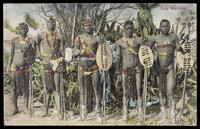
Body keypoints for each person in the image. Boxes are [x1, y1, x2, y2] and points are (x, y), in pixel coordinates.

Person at [148, 19, 188, 124]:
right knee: (161, 91)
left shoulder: (174, 37)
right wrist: (148, 58)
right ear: (160, 27)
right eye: (163, 26)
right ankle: (163, 114)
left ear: (169, 27)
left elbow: (179, 48)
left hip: (170, 68)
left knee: (170, 91)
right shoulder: (155, 38)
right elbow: (146, 49)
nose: (165, 28)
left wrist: (185, 48)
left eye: (167, 26)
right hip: (159, 69)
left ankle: (173, 113)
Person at [72, 19, 104, 121]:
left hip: (94, 67)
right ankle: (83, 113)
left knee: (96, 90)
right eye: (86, 26)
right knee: (82, 90)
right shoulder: (79, 38)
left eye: (89, 25)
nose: (88, 27)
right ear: (83, 27)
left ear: (92, 26)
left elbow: (101, 53)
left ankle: (97, 112)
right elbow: (74, 51)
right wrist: (78, 51)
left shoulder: (98, 38)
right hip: (82, 67)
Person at [36, 16, 65, 120]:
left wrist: (62, 61)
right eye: (49, 22)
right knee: (46, 89)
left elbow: (62, 50)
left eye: (53, 22)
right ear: (46, 23)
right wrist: (39, 54)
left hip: (56, 63)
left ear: (55, 23)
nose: (51, 24)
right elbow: (36, 43)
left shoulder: (60, 36)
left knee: (57, 89)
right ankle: (45, 111)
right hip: (45, 62)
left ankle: (59, 112)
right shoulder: (41, 35)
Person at [115, 20, 144, 122]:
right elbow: (118, 58)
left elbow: (143, 54)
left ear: (133, 29)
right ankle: (125, 113)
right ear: (124, 29)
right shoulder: (119, 42)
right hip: (124, 69)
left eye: (131, 28)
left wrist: (142, 65)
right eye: (127, 28)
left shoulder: (139, 40)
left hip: (137, 68)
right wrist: (117, 72)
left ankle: (140, 113)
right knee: (125, 92)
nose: (129, 30)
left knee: (139, 90)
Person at [7, 22, 36, 115]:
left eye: (25, 29)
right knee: (14, 88)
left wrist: (32, 65)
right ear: (19, 30)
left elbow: (33, 55)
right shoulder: (14, 40)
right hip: (14, 67)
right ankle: (15, 108)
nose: (23, 30)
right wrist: (8, 65)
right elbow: (11, 54)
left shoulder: (31, 41)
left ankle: (26, 107)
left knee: (26, 87)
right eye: (21, 29)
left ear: (27, 30)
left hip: (26, 68)